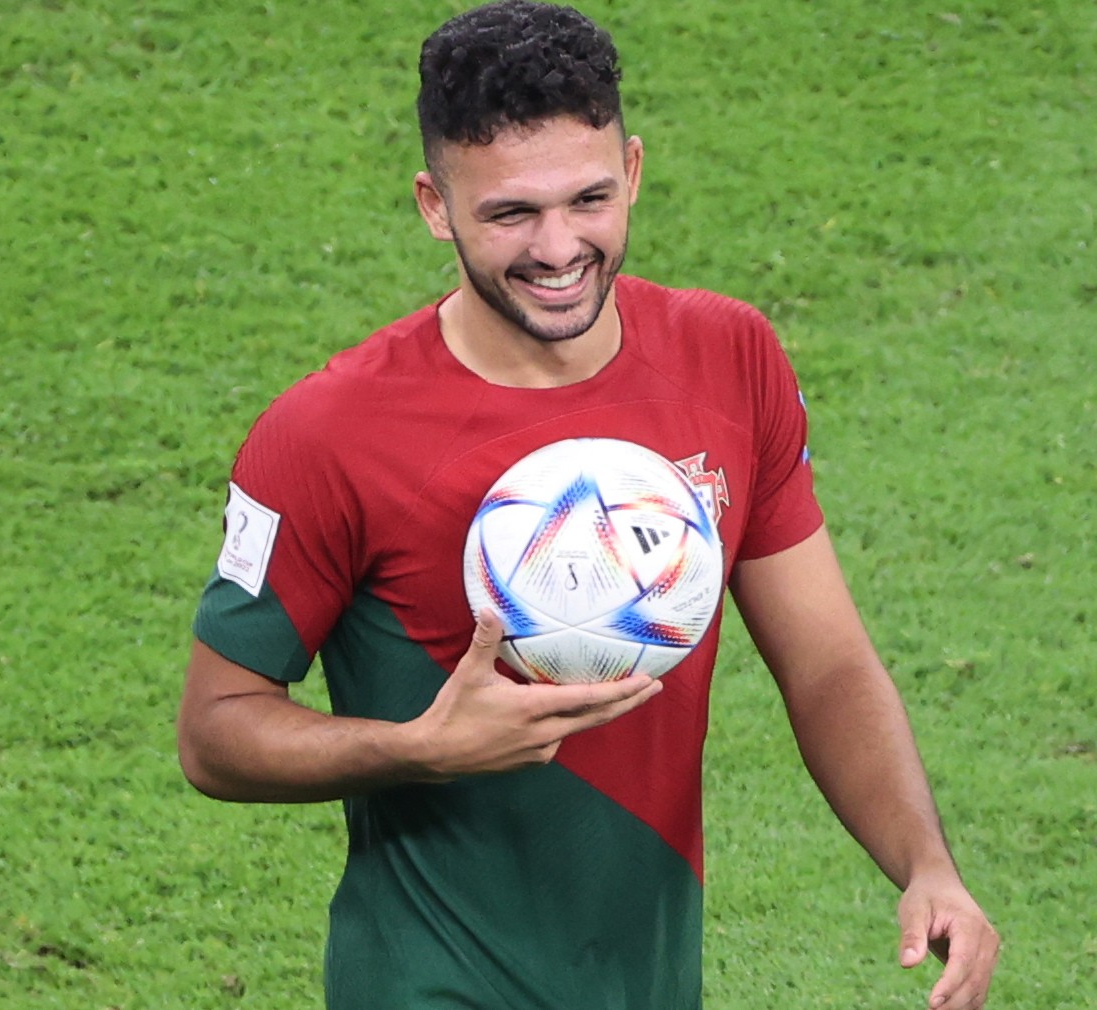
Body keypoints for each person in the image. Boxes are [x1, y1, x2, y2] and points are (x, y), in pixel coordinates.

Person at [176, 2, 1000, 1008]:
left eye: (589, 199)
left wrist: (925, 861)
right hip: (431, 983)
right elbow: (215, 730)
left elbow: (825, 659)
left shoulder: (729, 359)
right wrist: (418, 748)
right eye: (510, 212)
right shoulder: (327, 434)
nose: (559, 247)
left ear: (636, 171)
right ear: (435, 204)